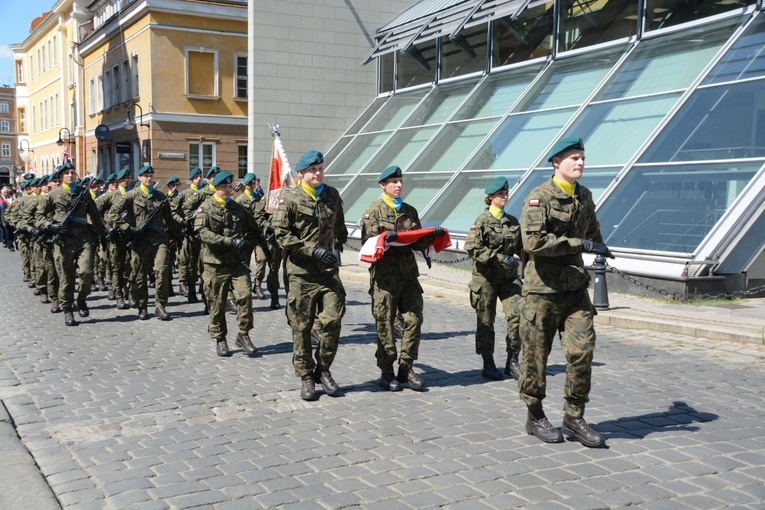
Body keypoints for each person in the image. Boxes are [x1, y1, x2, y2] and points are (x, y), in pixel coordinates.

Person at [518, 136, 614, 448]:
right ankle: (535, 415)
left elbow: (592, 230)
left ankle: (574, 416)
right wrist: (578, 244)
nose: (580, 163)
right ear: (556, 163)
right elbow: (533, 243)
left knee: (582, 351)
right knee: (536, 356)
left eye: (582, 158)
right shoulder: (539, 197)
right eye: (573, 158)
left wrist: (599, 246)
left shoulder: (584, 196)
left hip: (575, 290)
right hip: (542, 290)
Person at [360, 165, 447, 392]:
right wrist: (383, 237)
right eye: (393, 182)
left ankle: (406, 367)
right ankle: (386, 371)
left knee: (414, 320)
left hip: (408, 275)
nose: (398, 185)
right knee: (385, 325)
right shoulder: (374, 210)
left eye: (400, 181)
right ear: (383, 185)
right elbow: (369, 242)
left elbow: (415, 242)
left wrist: (430, 236)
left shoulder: (410, 210)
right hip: (385, 278)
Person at [271, 150, 347, 401]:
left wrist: (338, 247)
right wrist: (312, 250)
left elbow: (340, 228)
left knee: (333, 321)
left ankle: (323, 369)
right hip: (301, 274)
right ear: (301, 174)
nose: (318, 173)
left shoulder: (332, 195)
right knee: (301, 327)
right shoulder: (290, 198)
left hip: (327, 273)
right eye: (313, 170)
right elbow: (281, 235)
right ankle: (306, 375)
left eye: (321, 169)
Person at [195, 171, 263, 357]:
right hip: (214, 264)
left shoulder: (238, 209)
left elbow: (254, 230)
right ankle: (220, 338)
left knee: (245, 295)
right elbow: (203, 233)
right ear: (216, 188)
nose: (227, 190)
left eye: (230, 187)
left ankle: (243, 334)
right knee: (217, 304)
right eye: (224, 187)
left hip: (237, 263)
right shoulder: (205, 208)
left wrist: (258, 244)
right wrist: (229, 241)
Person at [464, 176, 523, 381]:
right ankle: (488, 363)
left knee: (518, 315)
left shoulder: (512, 222)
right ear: (490, 198)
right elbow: (472, 248)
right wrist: (499, 257)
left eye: (506, 193)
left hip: (508, 280)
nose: (504, 196)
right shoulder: (482, 221)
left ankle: (512, 361)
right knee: (485, 322)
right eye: (500, 194)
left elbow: (523, 249)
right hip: (486, 279)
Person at [37, 163, 106, 326]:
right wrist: (50, 226)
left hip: (84, 239)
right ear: (61, 177)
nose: (70, 175)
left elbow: (95, 216)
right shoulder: (53, 194)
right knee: (66, 278)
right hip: (63, 242)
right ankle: (68, 310)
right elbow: (39, 217)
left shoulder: (84, 193)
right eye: (66, 173)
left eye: (72, 172)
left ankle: (81, 299)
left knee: (87, 272)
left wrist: (103, 234)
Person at [111, 165, 179, 320]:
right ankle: (142, 306)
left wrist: (178, 235)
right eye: (146, 176)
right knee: (139, 275)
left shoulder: (160, 197)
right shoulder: (131, 196)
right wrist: (128, 228)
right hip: (140, 241)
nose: (149, 178)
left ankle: (160, 306)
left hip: (159, 240)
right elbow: (113, 214)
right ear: (140, 178)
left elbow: (169, 219)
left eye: (151, 175)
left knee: (161, 271)